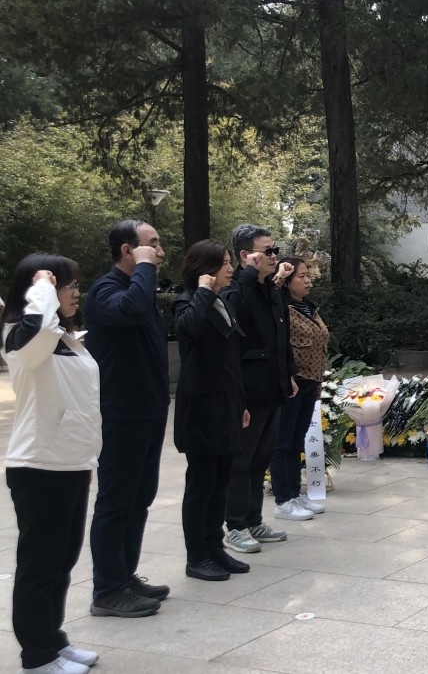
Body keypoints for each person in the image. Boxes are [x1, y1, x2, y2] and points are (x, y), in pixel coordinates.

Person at [3, 256, 103, 674]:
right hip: (39, 466)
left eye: (75, 284)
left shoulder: (65, 337)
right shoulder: (20, 336)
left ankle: (53, 640)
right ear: (36, 290)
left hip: (71, 463)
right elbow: (37, 331)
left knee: (61, 563)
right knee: (40, 567)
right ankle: (37, 656)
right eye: (66, 284)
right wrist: (42, 286)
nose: (75, 291)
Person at [83, 220, 170, 618]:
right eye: (152, 245)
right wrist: (146, 267)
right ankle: (107, 590)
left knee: (139, 499)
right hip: (121, 413)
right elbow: (131, 310)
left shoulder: (139, 288)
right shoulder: (106, 290)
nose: (160, 252)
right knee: (116, 501)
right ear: (126, 250)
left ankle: (124, 576)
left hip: (148, 410)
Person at [173, 240, 253, 582]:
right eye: (223, 264)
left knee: (220, 482)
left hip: (227, 404)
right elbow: (189, 328)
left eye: (229, 262)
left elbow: (231, 360)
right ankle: (197, 556)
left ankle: (215, 547)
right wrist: (204, 292)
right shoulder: (187, 301)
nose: (230, 269)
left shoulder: (221, 302)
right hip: (202, 409)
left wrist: (241, 403)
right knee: (201, 485)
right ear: (204, 269)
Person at [221, 224, 299, 554]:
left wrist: (288, 373)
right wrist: (249, 276)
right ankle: (235, 525)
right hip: (248, 389)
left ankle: (253, 519)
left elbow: (281, 336)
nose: (273, 256)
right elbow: (232, 318)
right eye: (267, 251)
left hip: (272, 385)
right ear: (245, 255)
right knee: (241, 460)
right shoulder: (238, 287)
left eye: (274, 250)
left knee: (260, 458)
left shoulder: (270, 288)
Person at [270, 256, 329, 521]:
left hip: (311, 381)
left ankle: (294, 494)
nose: (308, 280)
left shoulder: (308, 307)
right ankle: (283, 500)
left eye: (308, 275)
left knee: (297, 441)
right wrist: (287, 376)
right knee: (282, 442)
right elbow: (279, 346)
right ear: (286, 281)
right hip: (292, 382)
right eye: (301, 276)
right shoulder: (280, 307)